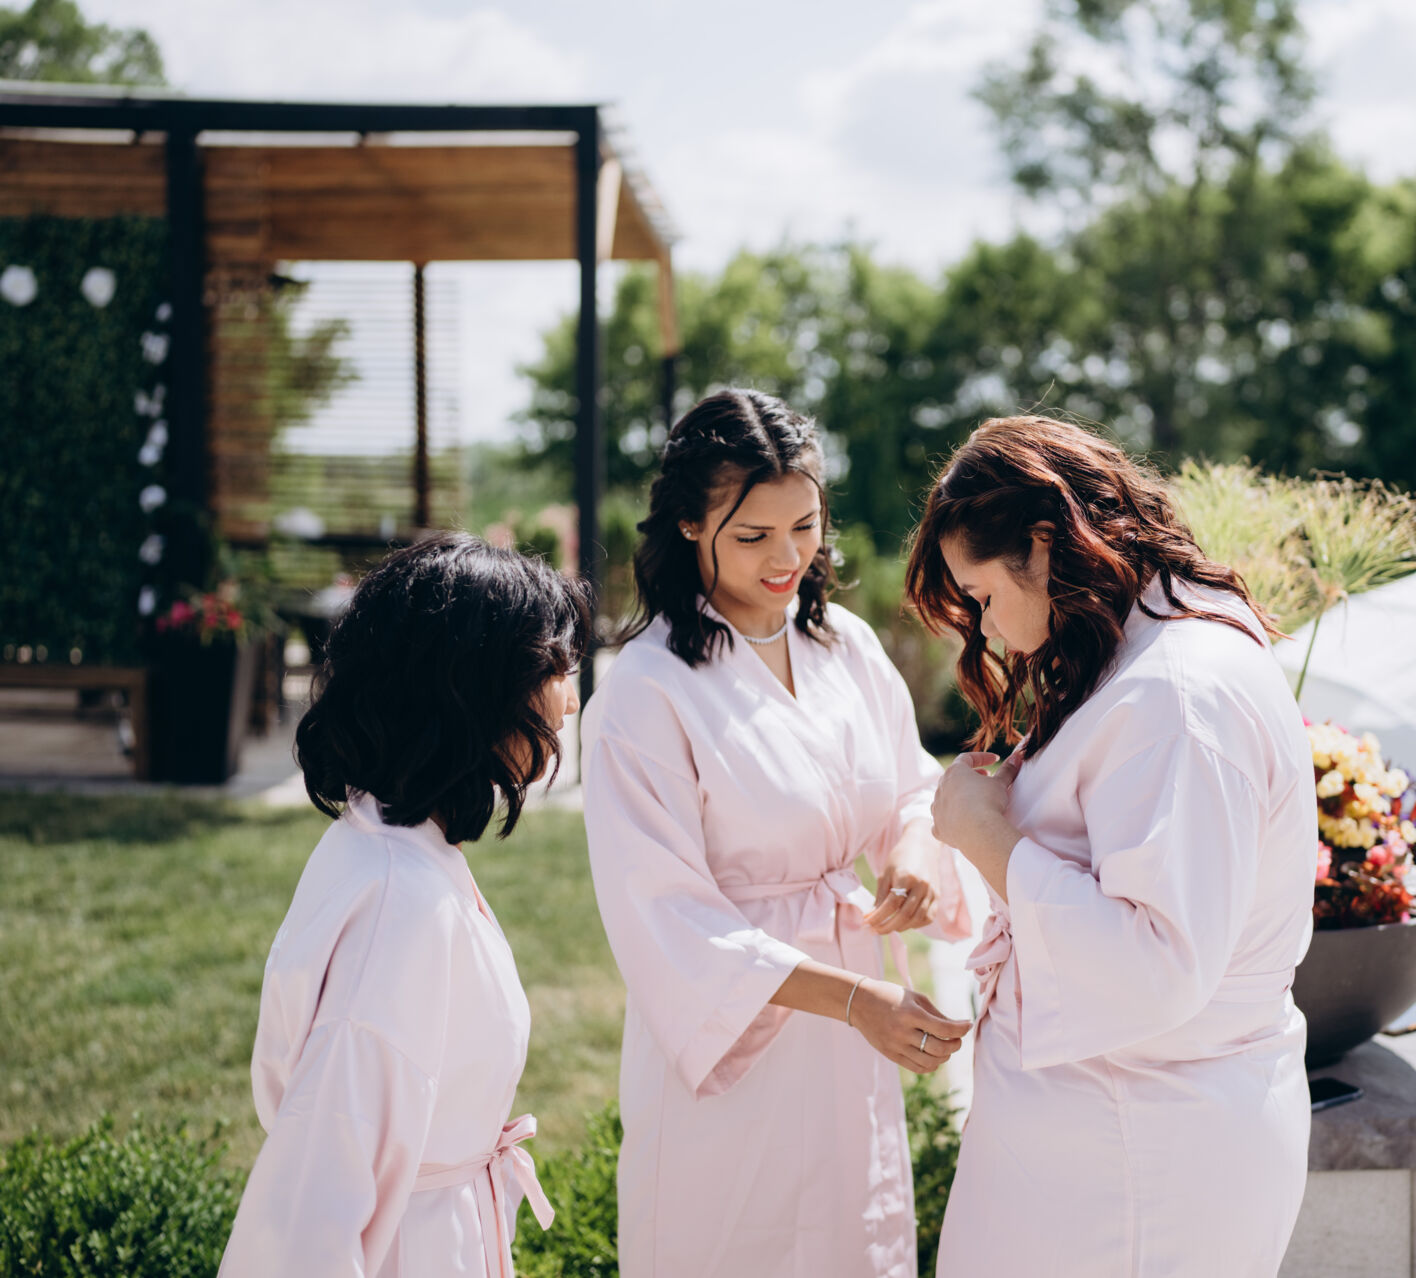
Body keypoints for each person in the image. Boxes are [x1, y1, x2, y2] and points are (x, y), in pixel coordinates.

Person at [904, 415, 1318, 1277]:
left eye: (983, 597)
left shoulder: (1178, 695)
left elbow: (1155, 961)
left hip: (1141, 1162)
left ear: (1042, 543)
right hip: (1110, 1139)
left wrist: (988, 836)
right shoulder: (1144, 654)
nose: (987, 628)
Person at [581, 389, 974, 1278]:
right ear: (690, 524)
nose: (789, 557)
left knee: (849, 1236)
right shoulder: (646, 691)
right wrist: (853, 1000)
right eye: (754, 535)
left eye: (805, 526)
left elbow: (911, 786)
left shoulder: (847, 647)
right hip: (738, 1036)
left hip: (852, 1034)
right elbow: (664, 916)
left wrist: (913, 848)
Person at [220, 533, 590, 1278]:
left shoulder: (392, 845)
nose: (571, 699)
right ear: (473, 687)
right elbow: (312, 1213)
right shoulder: (401, 908)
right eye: (554, 669)